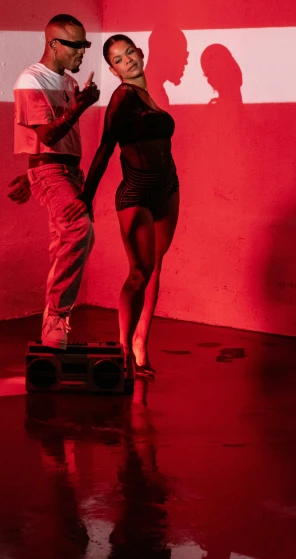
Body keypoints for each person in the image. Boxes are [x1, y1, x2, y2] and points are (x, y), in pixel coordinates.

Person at [64, 35, 179, 380]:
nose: (127, 60)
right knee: (139, 273)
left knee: (157, 266)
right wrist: (86, 196)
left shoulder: (150, 97)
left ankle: (143, 342)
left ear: (140, 54)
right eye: (118, 59)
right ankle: (124, 350)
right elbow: (105, 147)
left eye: (130, 52)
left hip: (168, 188)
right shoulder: (124, 96)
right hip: (136, 193)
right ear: (114, 70)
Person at [10, 14, 100, 349]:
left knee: (70, 242)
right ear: (53, 44)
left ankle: (55, 320)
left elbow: (48, 142)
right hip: (52, 172)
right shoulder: (32, 80)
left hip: (67, 172)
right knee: (79, 229)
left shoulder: (66, 83)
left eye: (85, 45)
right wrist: (80, 107)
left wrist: (31, 176)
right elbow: (47, 135)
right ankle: (56, 317)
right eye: (75, 45)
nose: (81, 53)